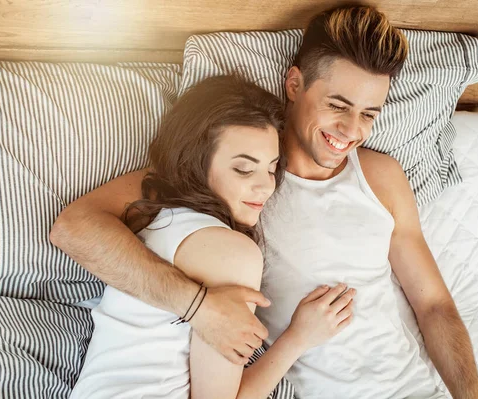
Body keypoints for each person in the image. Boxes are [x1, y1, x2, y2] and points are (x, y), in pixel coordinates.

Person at [52, 4, 478, 399]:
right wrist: (196, 307)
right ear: (294, 83)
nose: (351, 130)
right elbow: (76, 227)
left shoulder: (381, 176)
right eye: (338, 105)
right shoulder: (222, 174)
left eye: (369, 113)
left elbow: (434, 306)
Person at [69, 74, 355, 398]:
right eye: (244, 169)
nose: (266, 187)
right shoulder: (232, 254)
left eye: (272, 167)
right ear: (197, 163)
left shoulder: (154, 214)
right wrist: (298, 338)